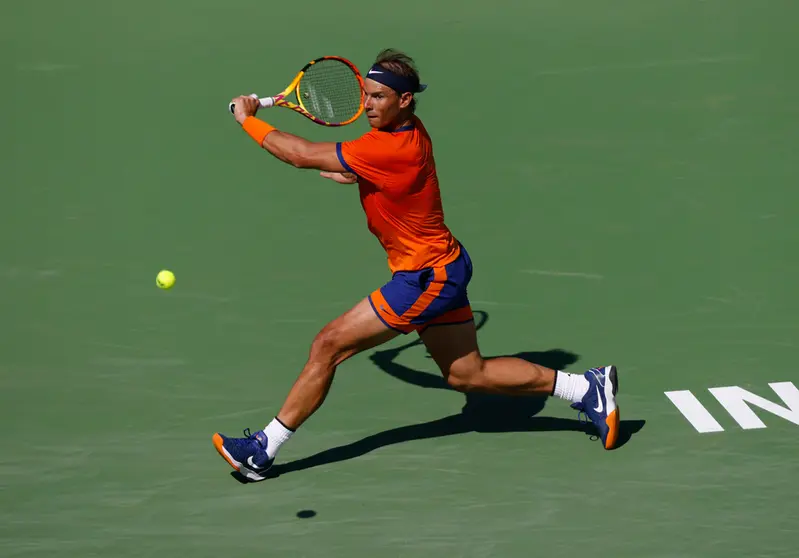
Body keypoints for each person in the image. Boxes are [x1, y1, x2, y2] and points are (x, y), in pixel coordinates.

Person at [213, 49, 620, 481]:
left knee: (329, 345)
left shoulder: (387, 147)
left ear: (404, 100)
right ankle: (586, 388)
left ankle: (263, 450)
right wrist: (356, 173)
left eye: (379, 97)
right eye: (366, 96)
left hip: (424, 277)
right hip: (445, 267)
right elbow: (378, 173)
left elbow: (299, 153)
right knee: (468, 374)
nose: (368, 105)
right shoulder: (408, 131)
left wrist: (249, 118)